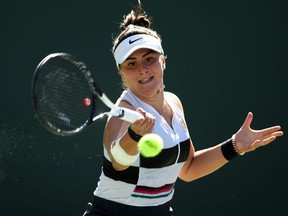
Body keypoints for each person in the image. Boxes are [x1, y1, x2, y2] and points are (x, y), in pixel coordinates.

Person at [83, 1, 283, 216]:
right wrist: (134, 135)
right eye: (131, 63)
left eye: (149, 59)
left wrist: (235, 146)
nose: (142, 69)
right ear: (121, 72)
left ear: (163, 61)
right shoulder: (121, 115)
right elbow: (118, 163)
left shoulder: (174, 103)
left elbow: (188, 170)